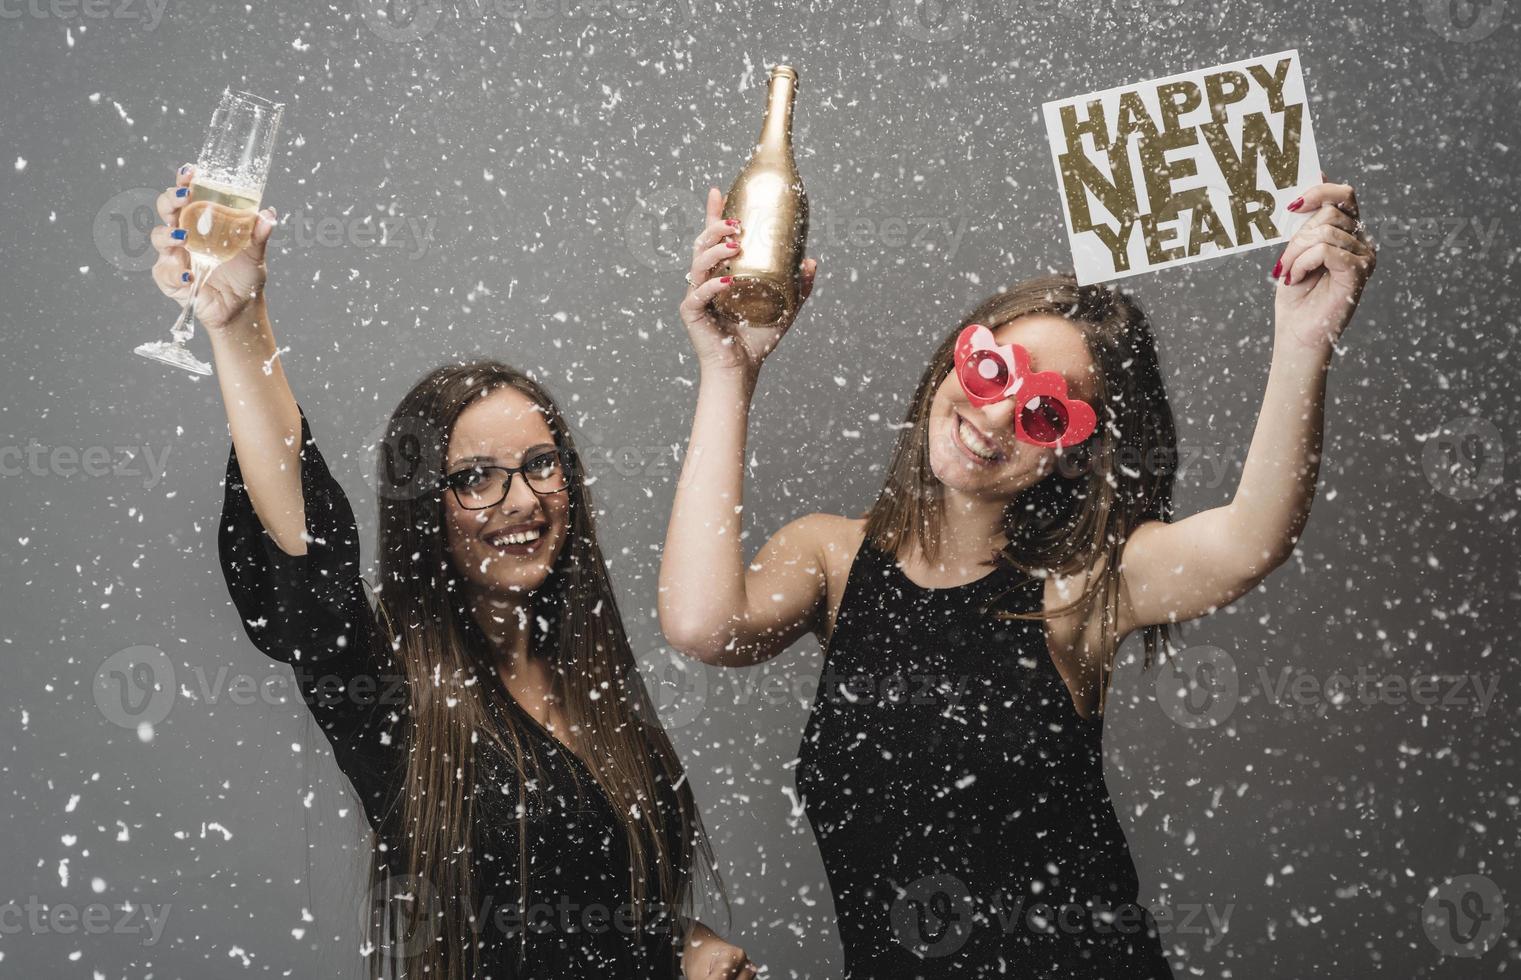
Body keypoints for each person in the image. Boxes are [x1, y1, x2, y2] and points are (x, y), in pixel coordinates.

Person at [659, 181, 1376, 977]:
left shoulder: (1078, 585)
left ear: (1073, 450)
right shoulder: (828, 557)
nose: (995, 417)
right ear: (956, 354)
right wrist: (730, 370)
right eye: (993, 369)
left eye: (1044, 413)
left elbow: (1248, 542)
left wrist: (1303, 338)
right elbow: (701, 624)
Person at [147, 164, 759, 980]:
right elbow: (307, 552)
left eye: (542, 464)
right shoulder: (387, 689)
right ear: (421, 512)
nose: (522, 500)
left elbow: (582, 917)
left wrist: (680, 948)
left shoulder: (584, 670)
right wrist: (240, 326)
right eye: (475, 478)